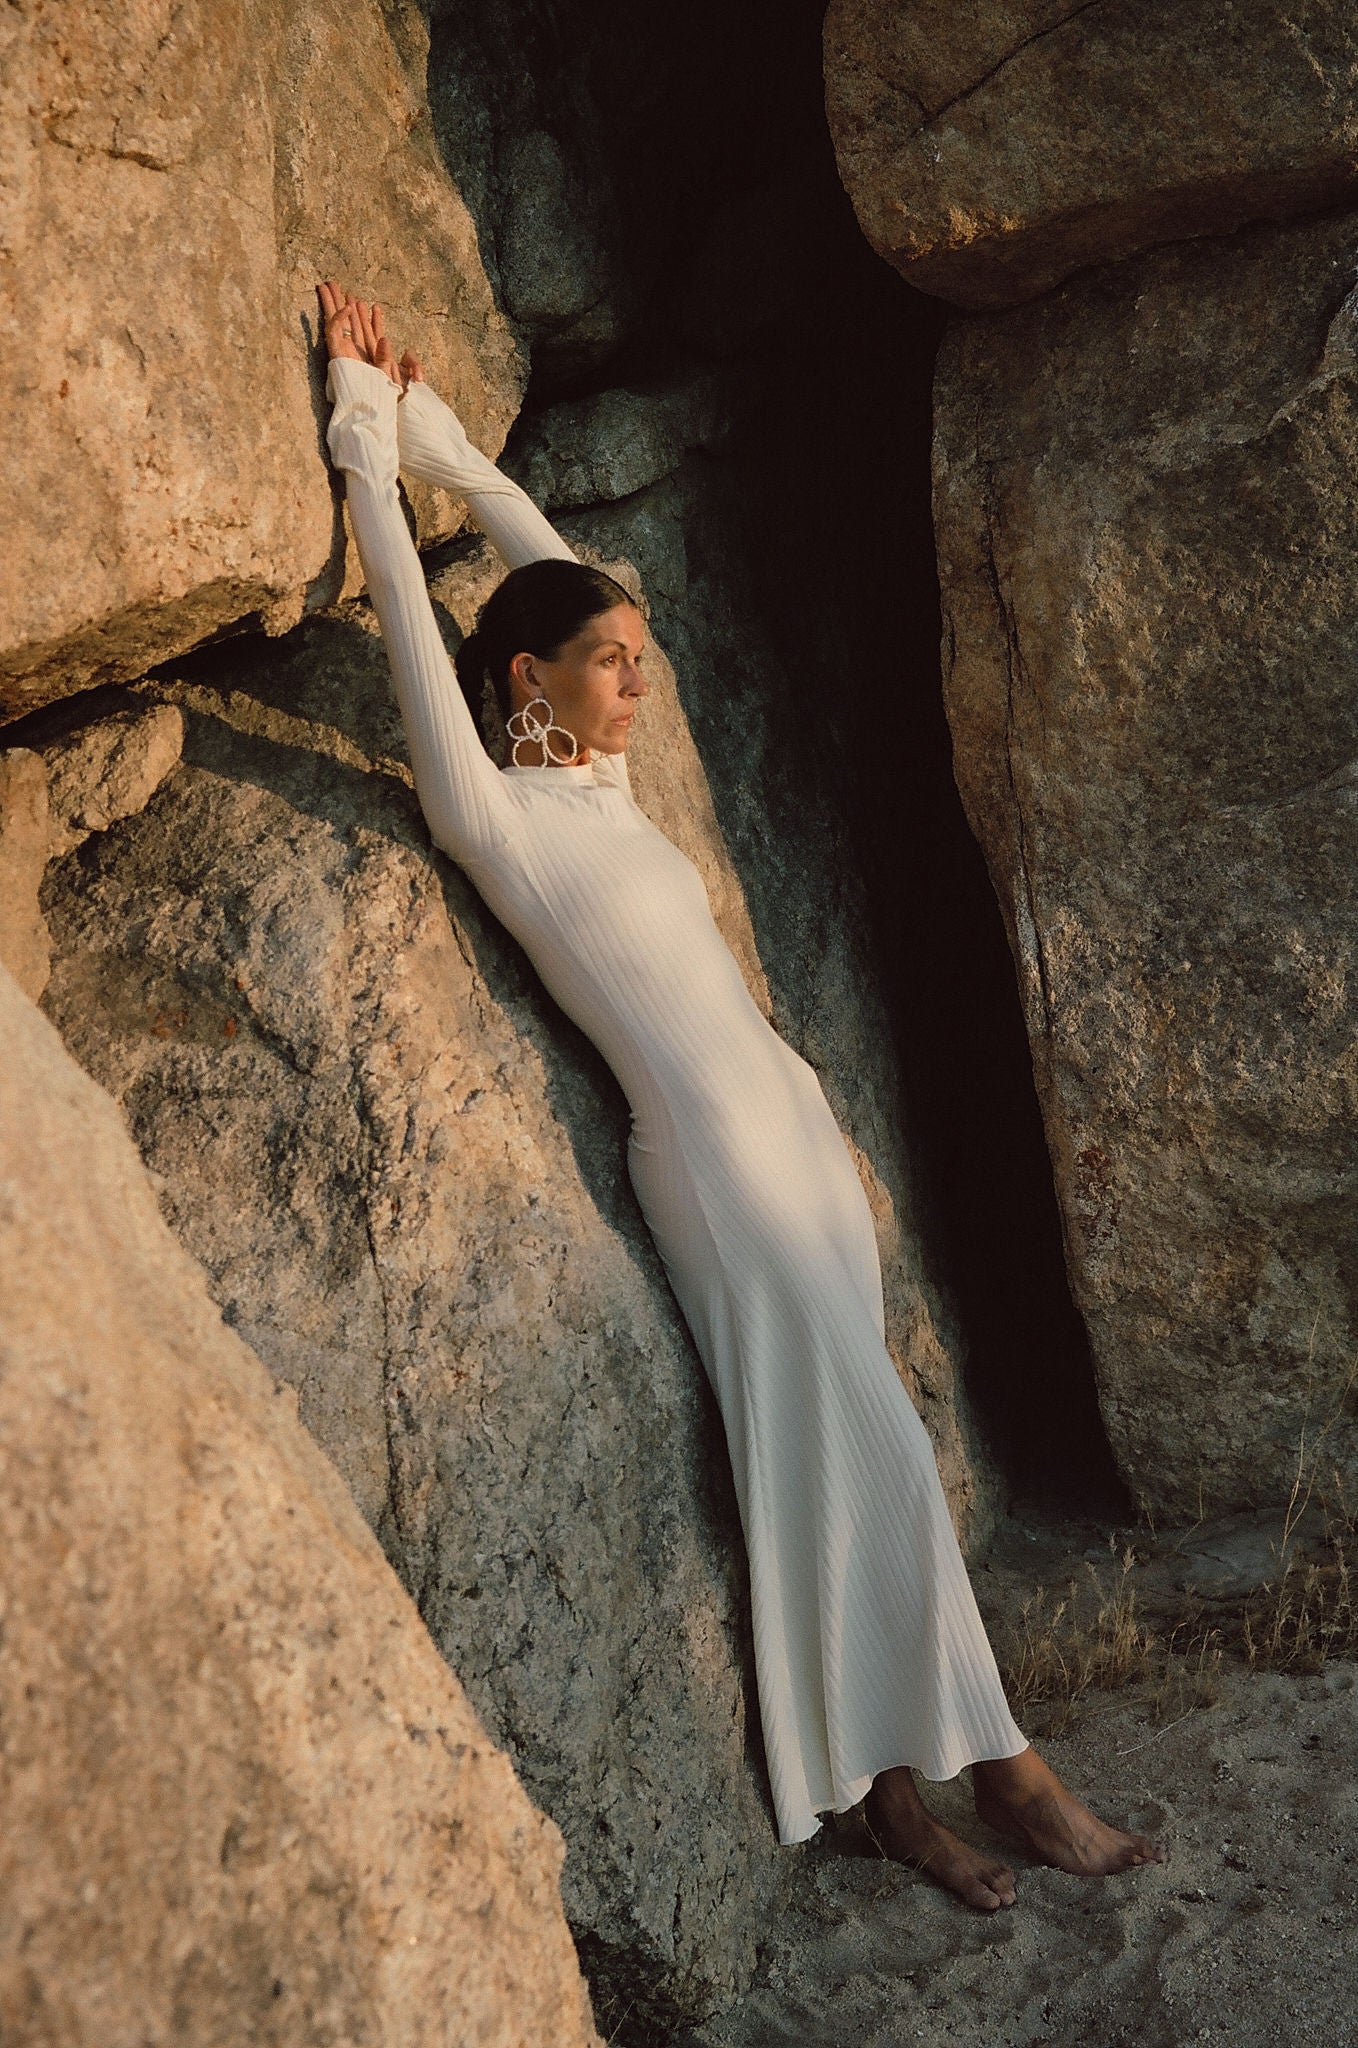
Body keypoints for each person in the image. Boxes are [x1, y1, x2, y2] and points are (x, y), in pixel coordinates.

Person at [316, 278, 1167, 1912]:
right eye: (610, 662)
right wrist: (364, 438)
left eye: (641, 656)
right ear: (528, 680)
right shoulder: (496, 821)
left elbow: (519, 533)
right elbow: (427, 638)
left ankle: (887, 1799)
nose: (639, 684)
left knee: (848, 1458)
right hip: (709, 1163)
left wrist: (435, 429)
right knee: (869, 1457)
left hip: (788, 1139)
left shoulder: (612, 791)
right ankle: (1005, 1778)